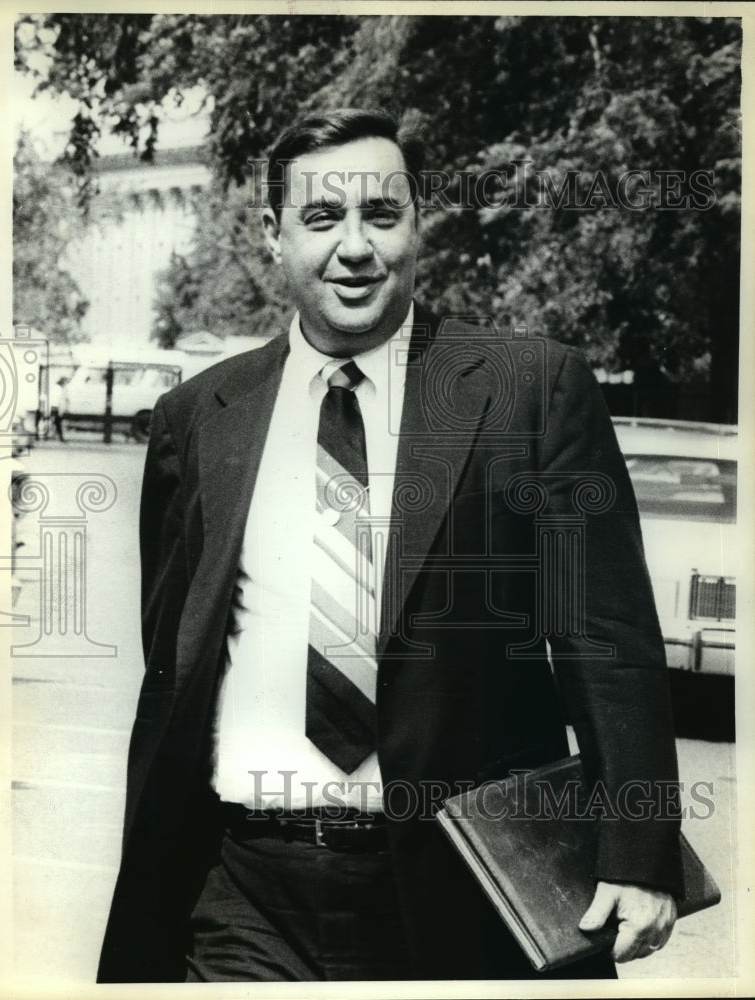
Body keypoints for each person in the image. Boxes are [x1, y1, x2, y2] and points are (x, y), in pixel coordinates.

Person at [98, 109, 683, 984]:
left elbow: (607, 639)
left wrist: (639, 854)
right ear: (273, 232)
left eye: (381, 214)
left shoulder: (529, 390)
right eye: (323, 219)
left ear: (419, 222)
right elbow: (176, 657)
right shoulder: (201, 418)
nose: (356, 248)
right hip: (242, 892)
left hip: (467, 888)